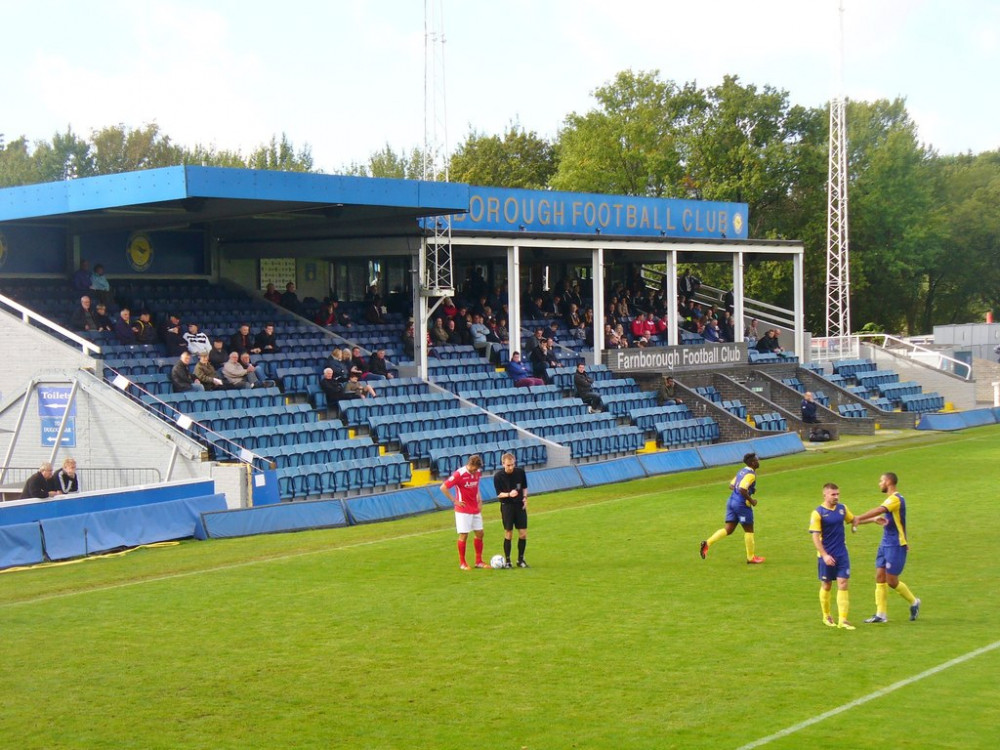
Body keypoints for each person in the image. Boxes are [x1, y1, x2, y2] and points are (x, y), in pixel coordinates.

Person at [852, 472, 922, 624]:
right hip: (885, 543)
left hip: (896, 545)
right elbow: (883, 518)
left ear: (889, 482)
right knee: (879, 576)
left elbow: (879, 510)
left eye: (881, 480)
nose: (879, 483)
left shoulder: (895, 499)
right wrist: (859, 521)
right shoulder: (891, 500)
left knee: (891, 581)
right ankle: (881, 614)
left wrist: (860, 517)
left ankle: (914, 602)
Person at [809, 482, 859, 630]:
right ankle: (826, 615)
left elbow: (853, 519)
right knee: (827, 585)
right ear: (825, 495)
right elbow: (815, 537)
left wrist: (873, 520)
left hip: (842, 553)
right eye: (833, 494)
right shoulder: (817, 513)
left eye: (838, 494)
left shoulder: (842, 509)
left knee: (843, 583)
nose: (836, 497)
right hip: (826, 555)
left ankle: (843, 620)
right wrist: (824, 555)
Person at [699, 453, 766, 564]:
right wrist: (752, 501)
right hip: (741, 504)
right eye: (756, 460)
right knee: (749, 530)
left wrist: (750, 489)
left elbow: (731, 485)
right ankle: (751, 558)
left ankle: (707, 543)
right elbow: (742, 489)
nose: (758, 462)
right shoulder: (751, 475)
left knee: (728, 529)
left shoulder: (741, 471)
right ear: (752, 463)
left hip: (731, 501)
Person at [440, 454, 487, 570]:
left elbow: (476, 487)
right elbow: (443, 487)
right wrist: (454, 501)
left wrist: (479, 499)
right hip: (463, 509)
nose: (476, 471)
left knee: (480, 533)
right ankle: (462, 563)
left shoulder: (477, 473)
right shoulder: (459, 474)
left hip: (475, 508)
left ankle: (479, 561)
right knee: (464, 535)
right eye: (474, 469)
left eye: (477, 469)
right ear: (470, 464)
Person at [493, 452, 530, 568]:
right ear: (503, 464)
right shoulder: (498, 476)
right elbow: (499, 494)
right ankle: (508, 561)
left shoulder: (520, 472)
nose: (511, 467)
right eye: (508, 465)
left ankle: (520, 559)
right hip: (507, 506)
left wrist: (525, 498)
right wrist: (509, 494)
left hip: (519, 505)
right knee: (509, 533)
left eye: (512, 464)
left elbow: (524, 487)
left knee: (523, 533)